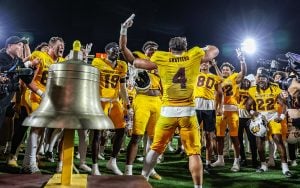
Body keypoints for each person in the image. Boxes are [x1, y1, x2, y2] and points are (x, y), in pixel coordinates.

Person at [120, 15, 219, 188]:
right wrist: (199, 49)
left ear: (169, 48)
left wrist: (123, 31)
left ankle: (144, 178)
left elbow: (131, 59)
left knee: (155, 149)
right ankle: (198, 187)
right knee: (194, 153)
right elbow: (214, 49)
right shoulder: (194, 54)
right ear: (185, 47)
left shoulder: (161, 57)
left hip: (167, 110)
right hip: (188, 111)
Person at [120, 35, 163, 179]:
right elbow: (124, 50)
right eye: (151, 50)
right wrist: (124, 32)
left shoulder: (160, 63)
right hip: (142, 99)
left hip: (157, 100)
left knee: (154, 139)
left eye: (156, 50)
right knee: (137, 136)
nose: (154, 52)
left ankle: (150, 169)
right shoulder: (139, 58)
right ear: (145, 50)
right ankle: (128, 169)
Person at [21, 37, 65, 173]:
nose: (62, 47)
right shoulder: (40, 56)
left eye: (63, 46)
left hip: (47, 99)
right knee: (37, 126)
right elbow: (25, 74)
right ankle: (31, 163)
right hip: (34, 95)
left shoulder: (61, 62)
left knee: (40, 129)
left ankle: (27, 163)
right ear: (51, 47)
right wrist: (41, 93)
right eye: (59, 45)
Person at [91, 42, 132, 175]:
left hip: (114, 102)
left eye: (118, 50)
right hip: (100, 101)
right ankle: (95, 166)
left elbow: (123, 88)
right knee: (98, 133)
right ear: (107, 51)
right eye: (113, 50)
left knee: (121, 130)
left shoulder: (122, 65)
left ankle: (112, 161)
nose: (116, 52)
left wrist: (128, 105)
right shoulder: (97, 62)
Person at [246, 69, 292, 177]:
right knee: (260, 142)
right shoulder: (253, 90)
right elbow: (247, 106)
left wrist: (281, 116)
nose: (261, 81)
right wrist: (253, 112)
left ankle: (285, 168)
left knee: (278, 140)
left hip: (272, 116)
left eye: (263, 79)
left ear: (268, 80)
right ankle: (263, 165)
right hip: (260, 117)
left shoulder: (274, 88)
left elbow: (284, 104)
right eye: (260, 79)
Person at [212, 49, 246, 172]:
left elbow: (243, 73)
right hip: (220, 112)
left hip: (232, 111)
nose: (225, 70)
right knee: (219, 137)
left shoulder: (234, 78)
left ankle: (237, 161)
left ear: (231, 71)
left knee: (234, 137)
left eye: (227, 69)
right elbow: (220, 76)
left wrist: (242, 60)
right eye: (224, 69)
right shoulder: (219, 80)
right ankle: (220, 159)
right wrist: (215, 65)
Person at [193, 59, 222, 172]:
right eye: (202, 62)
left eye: (206, 62)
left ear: (210, 64)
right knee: (194, 135)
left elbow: (221, 84)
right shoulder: (195, 73)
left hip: (209, 107)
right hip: (196, 105)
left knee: (209, 136)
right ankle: (193, 160)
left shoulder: (214, 76)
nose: (204, 64)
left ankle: (208, 163)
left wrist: (215, 65)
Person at [237, 76, 258, 168]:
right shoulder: (237, 89)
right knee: (239, 140)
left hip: (249, 117)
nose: (246, 83)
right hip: (238, 117)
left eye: (247, 82)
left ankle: (254, 160)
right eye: (244, 81)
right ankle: (243, 159)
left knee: (252, 140)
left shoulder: (253, 90)